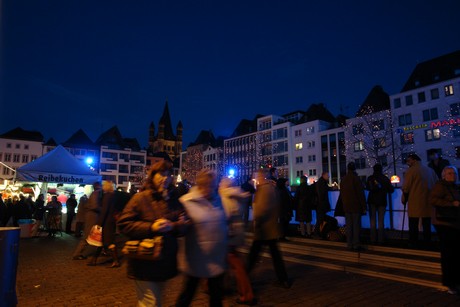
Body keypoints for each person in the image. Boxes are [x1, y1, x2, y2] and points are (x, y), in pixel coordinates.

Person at [117, 161, 187, 307]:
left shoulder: (174, 200)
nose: (165, 178)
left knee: (156, 301)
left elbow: (184, 226)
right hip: (144, 260)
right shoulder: (140, 198)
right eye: (161, 174)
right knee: (151, 302)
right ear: (152, 176)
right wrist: (151, 227)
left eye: (168, 175)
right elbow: (124, 224)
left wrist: (173, 225)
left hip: (165, 261)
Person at [176, 169, 228, 307]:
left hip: (216, 258)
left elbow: (223, 222)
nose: (209, 189)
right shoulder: (187, 202)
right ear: (199, 185)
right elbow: (180, 229)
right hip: (195, 258)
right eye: (206, 185)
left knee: (216, 298)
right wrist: (182, 225)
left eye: (212, 186)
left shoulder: (218, 200)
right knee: (187, 295)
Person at [246, 169, 291, 289]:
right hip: (272, 228)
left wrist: (255, 224)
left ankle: (243, 279)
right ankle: (283, 279)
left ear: (261, 177)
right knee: (276, 256)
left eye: (256, 176)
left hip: (263, 229)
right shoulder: (272, 188)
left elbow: (261, 209)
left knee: (253, 256)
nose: (255, 179)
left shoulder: (263, 190)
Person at [218, 177, 257, 306]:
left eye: (221, 183)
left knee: (234, 264)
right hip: (237, 232)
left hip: (229, 233)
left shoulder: (225, 196)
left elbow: (226, 215)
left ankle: (246, 294)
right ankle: (226, 288)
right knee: (229, 263)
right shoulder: (237, 194)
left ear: (224, 185)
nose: (219, 185)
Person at [429, 165, 460, 295]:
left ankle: (453, 281)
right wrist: (451, 204)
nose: (452, 175)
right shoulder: (440, 186)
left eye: (453, 173)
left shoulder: (455, 187)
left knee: (453, 253)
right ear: (444, 175)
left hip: (454, 223)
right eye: (449, 173)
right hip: (444, 222)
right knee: (449, 253)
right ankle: (450, 282)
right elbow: (433, 200)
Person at [401, 153, 438, 248]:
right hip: (428, 201)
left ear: (414, 160)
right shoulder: (430, 170)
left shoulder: (411, 171)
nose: (407, 163)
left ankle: (413, 242)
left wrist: (404, 198)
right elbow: (436, 184)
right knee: (427, 223)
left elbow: (406, 187)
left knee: (413, 223)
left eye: (409, 160)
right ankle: (427, 242)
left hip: (415, 200)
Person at [87, 181, 121, 268]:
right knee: (101, 240)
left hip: (106, 222)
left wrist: (99, 223)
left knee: (108, 242)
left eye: (103, 185)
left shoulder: (107, 196)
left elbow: (104, 211)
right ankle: (94, 260)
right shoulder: (114, 195)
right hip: (111, 222)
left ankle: (116, 260)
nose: (102, 186)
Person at [339, 162, 366, 251]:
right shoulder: (356, 179)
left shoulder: (343, 179)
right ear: (354, 169)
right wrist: (364, 206)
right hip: (355, 206)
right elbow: (360, 194)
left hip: (346, 206)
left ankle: (349, 244)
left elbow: (342, 193)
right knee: (356, 225)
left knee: (349, 226)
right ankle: (356, 244)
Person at [365, 164, 394, 244]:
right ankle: (380, 239)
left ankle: (373, 239)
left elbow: (367, 188)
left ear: (374, 169)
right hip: (382, 201)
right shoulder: (385, 178)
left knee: (373, 221)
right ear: (381, 169)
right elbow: (391, 190)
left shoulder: (370, 178)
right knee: (381, 221)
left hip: (372, 201)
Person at [72, 182, 102, 260]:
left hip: (91, 217)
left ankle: (98, 251)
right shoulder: (96, 194)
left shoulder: (94, 194)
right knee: (87, 236)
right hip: (92, 217)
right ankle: (77, 253)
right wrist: (102, 209)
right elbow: (94, 206)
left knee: (91, 235)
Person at [315, 172, 331, 237]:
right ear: (323, 175)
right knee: (320, 220)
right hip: (321, 205)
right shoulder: (322, 183)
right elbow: (322, 194)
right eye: (328, 175)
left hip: (320, 205)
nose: (328, 177)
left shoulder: (321, 182)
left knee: (320, 219)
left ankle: (319, 233)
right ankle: (317, 233)